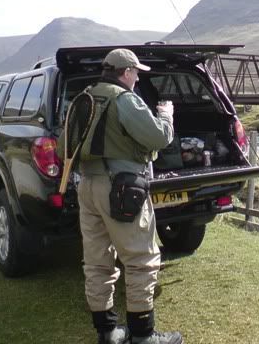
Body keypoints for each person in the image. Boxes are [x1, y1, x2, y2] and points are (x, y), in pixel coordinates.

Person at [69, 48, 183, 344]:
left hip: (87, 187)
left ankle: (107, 333)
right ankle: (143, 337)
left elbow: (62, 148)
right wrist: (166, 117)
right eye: (136, 72)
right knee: (141, 259)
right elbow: (159, 137)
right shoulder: (125, 100)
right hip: (120, 190)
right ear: (126, 72)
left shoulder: (85, 97)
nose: (137, 78)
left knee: (97, 262)